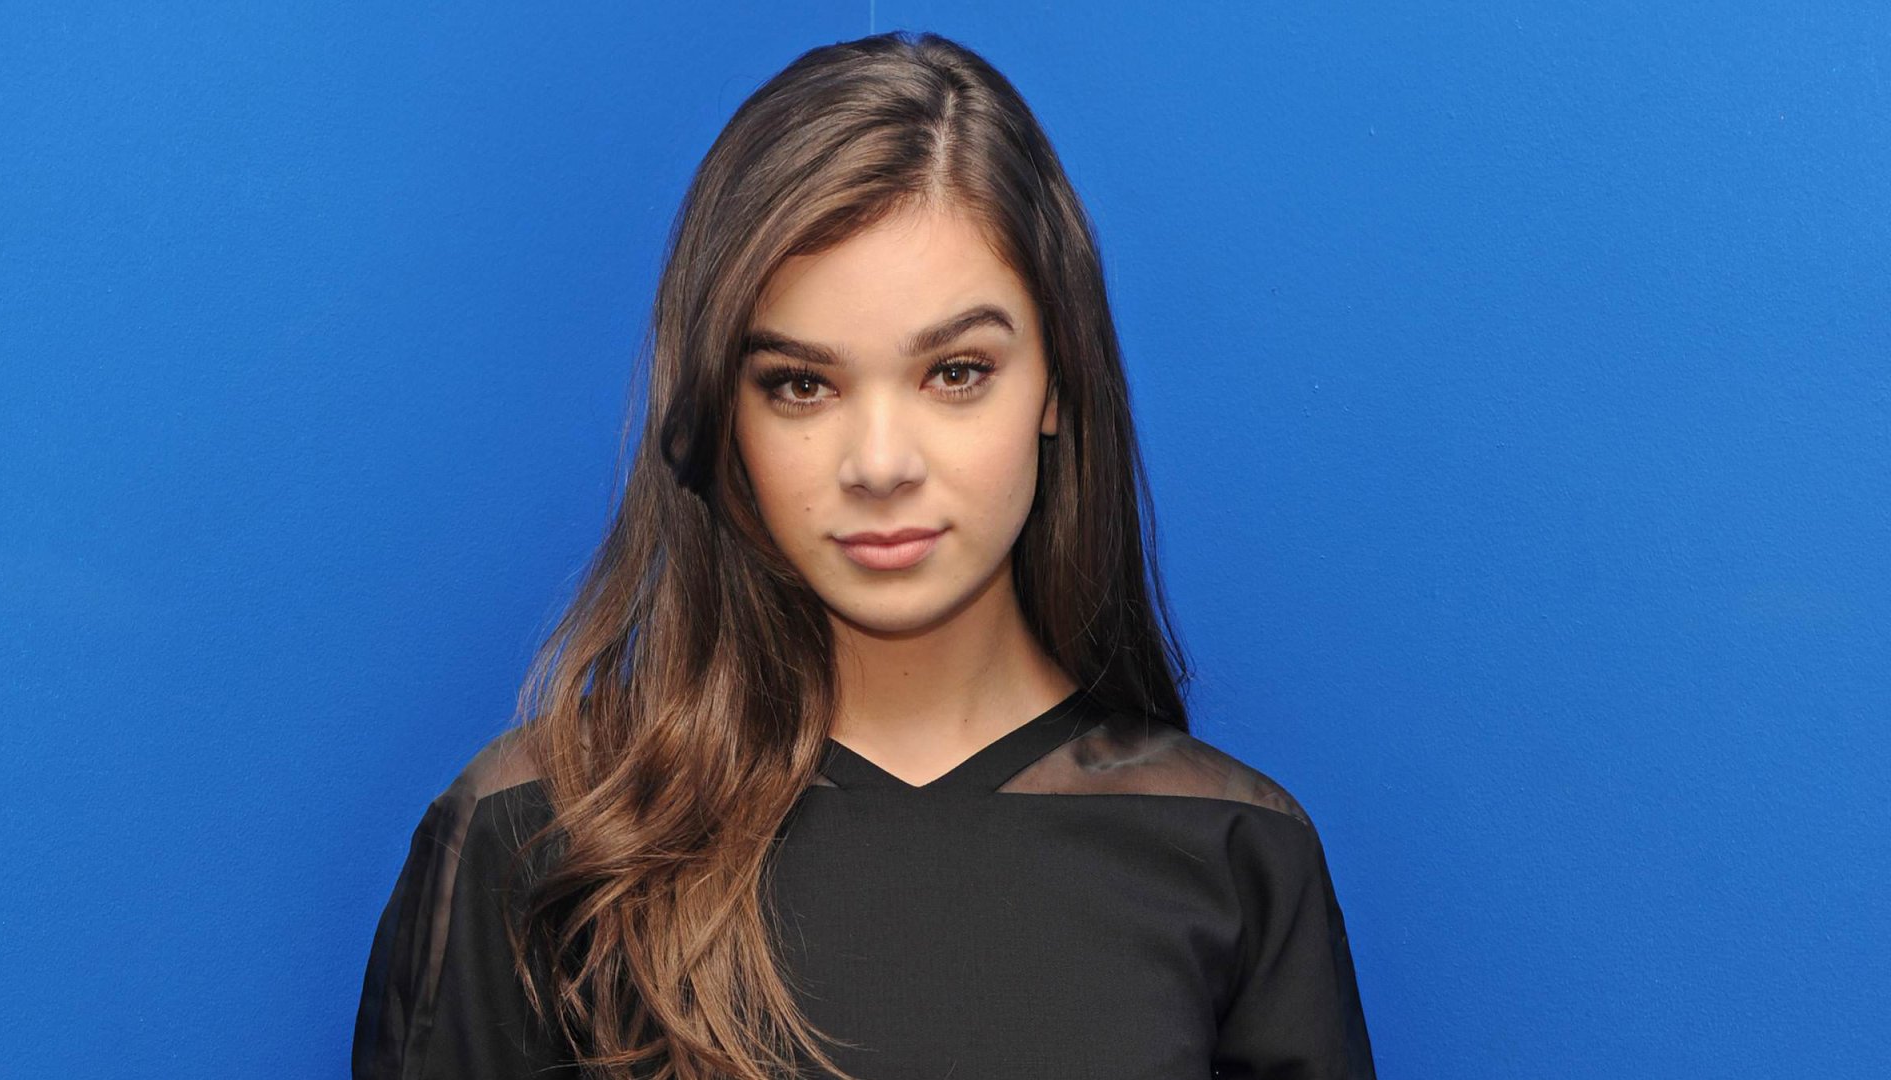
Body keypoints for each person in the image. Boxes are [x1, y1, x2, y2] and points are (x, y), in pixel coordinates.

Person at [352, 29, 1376, 1080]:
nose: (880, 464)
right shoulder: (539, 839)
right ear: (723, 413)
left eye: (956, 372)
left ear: (1058, 381)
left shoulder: (1237, 858)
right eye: (803, 383)